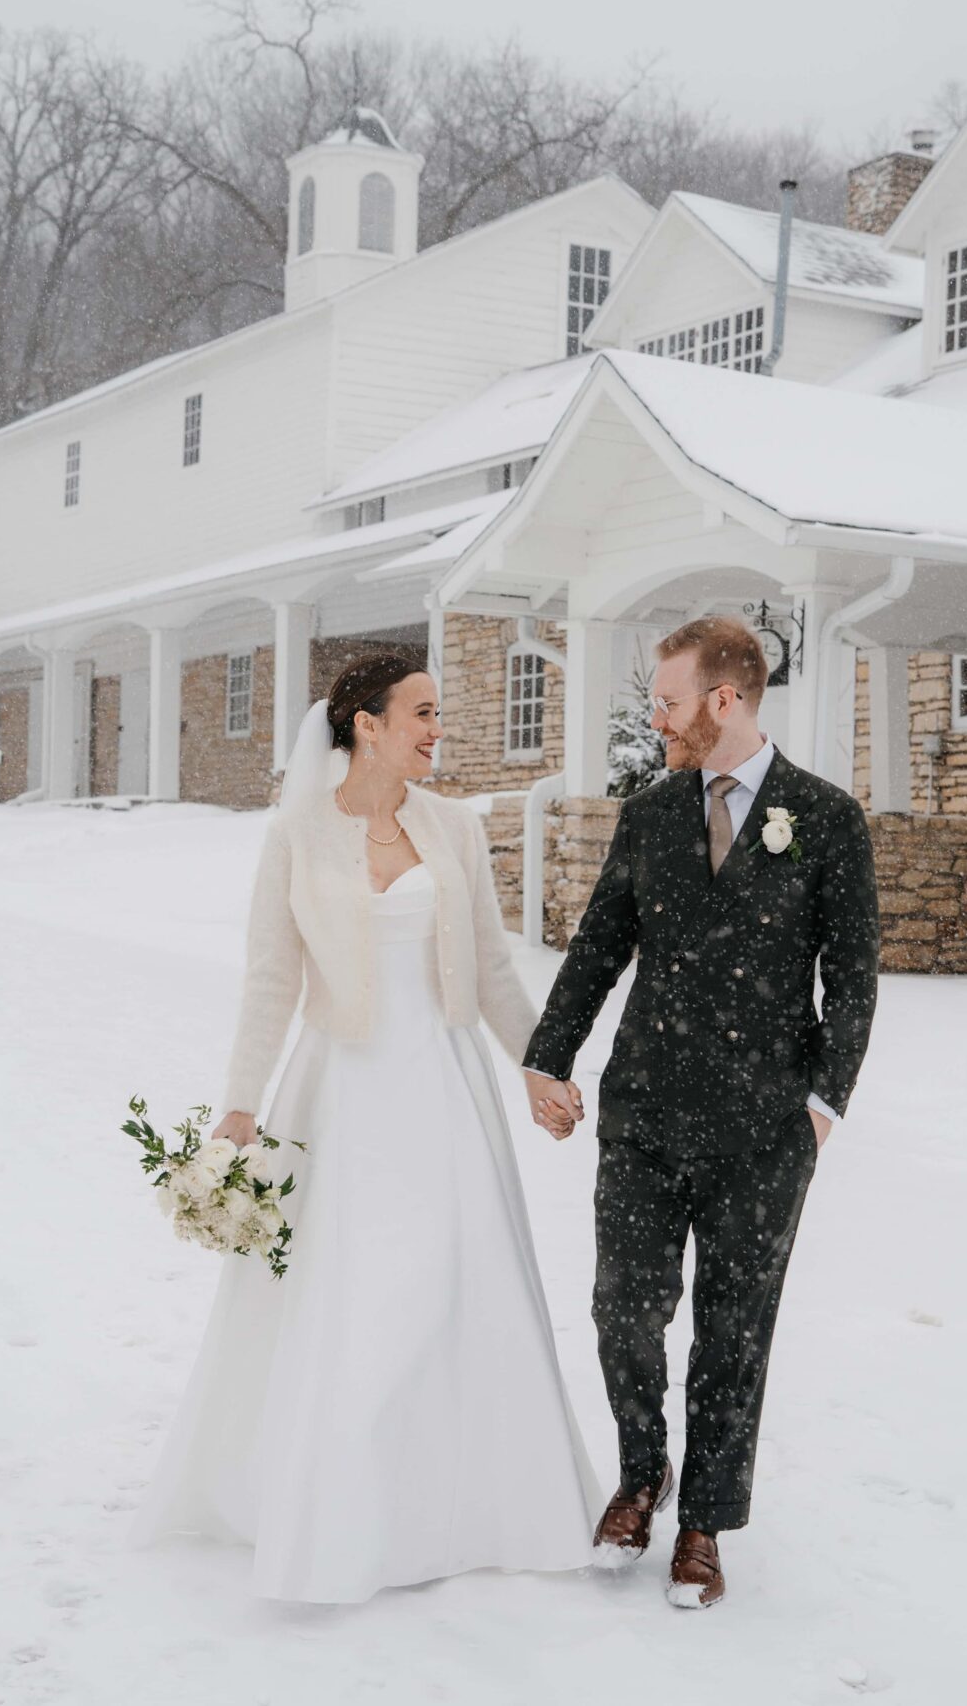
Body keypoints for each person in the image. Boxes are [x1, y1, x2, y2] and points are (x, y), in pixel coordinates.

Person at [130, 653, 602, 1603]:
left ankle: (458, 1504)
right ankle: (342, 1511)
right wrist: (238, 1106)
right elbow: (271, 978)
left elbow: (495, 969)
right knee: (355, 1299)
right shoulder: (297, 834)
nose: (438, 729)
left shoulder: (455, 828)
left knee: (449, 1288)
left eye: (440, 714)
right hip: (341, 1094)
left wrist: (540, 1066)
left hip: (443, 1087)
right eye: (422, 712)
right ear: (367, 723)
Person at [520, 616, 880, 1611]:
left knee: (734, 1333)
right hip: (644, 1113)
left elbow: (852, 983)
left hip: (766, 1133)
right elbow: (598, 948)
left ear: (726, 701)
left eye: (668, 700)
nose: (657, 716)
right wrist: (546, 1058)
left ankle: (704, 1525)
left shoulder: (824, 818)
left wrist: (820, 1106)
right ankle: (642, 1475)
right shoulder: (648, 816)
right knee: (622, 1310)